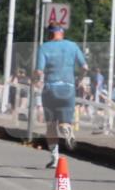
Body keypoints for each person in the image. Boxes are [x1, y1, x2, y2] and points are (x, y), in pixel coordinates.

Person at [35, 25, 88, 169]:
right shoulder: (72, 46)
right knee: (65, 122)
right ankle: (66, 129)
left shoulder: (44, 47)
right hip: (68, 88)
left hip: (51, 88)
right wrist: (80, 80)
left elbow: (39, 71)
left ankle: (54, 158)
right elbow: (85, 67)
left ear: (50, 34)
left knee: (51, 124)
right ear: (62, 33)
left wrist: (35, 80)